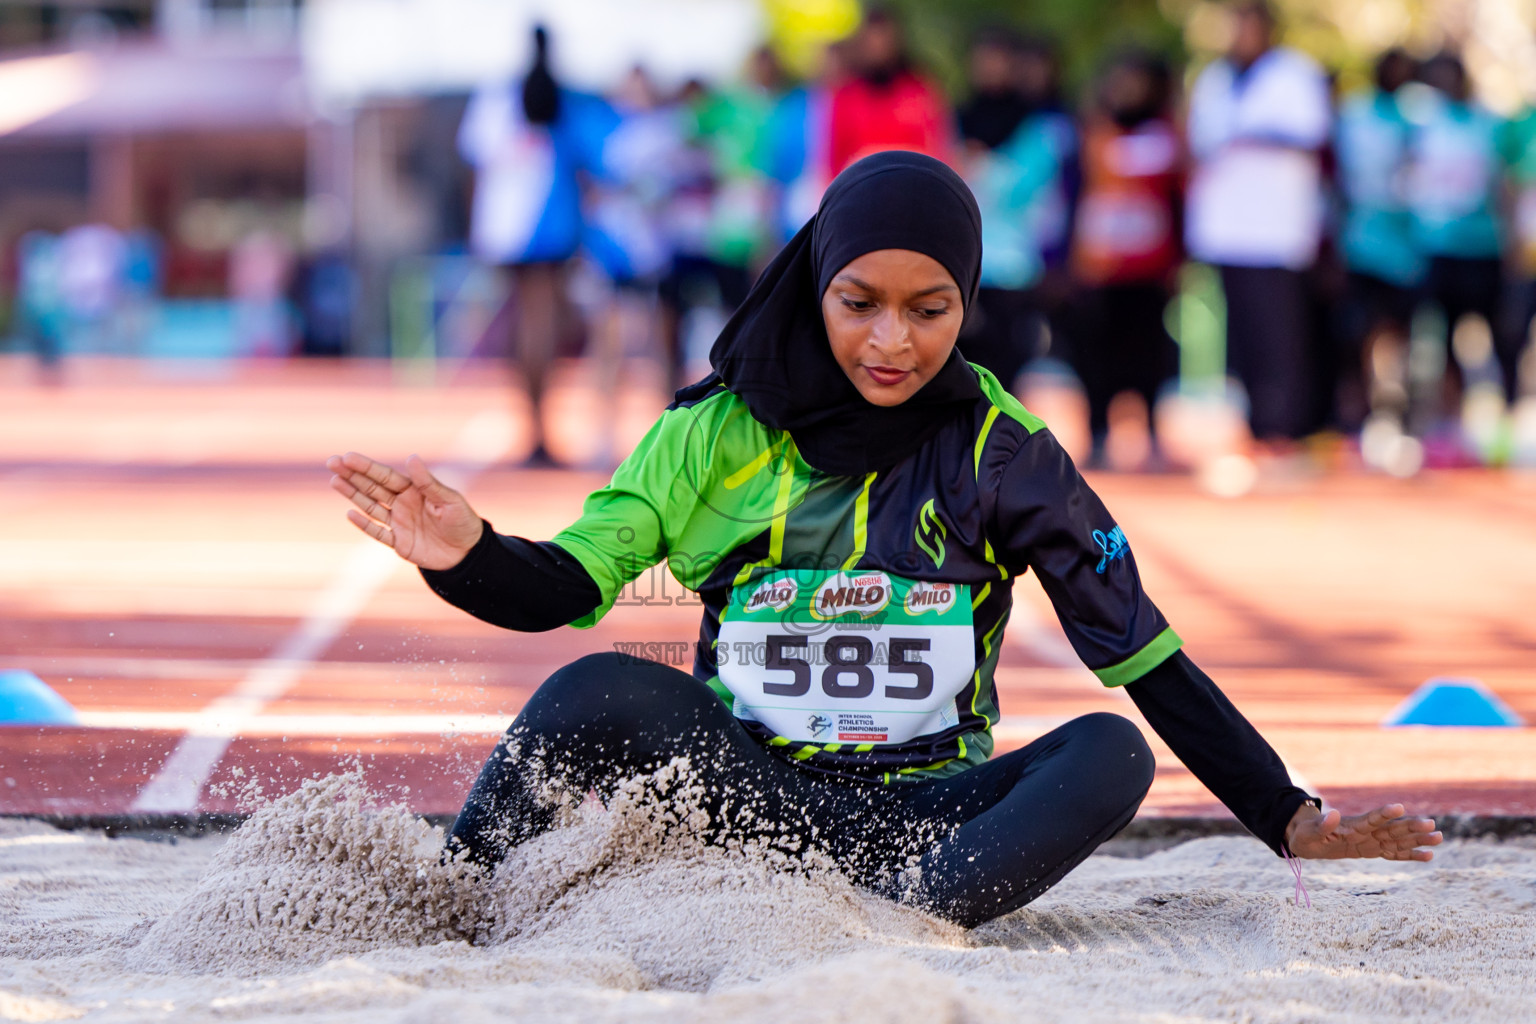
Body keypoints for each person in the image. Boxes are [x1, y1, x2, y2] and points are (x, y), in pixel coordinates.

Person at [327, 152, 1442, 928]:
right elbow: (564, 585)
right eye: (858, 301)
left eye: (929, 308)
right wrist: (468, 551)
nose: (890, 341)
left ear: (968, 304)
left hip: (931, 821)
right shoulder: (712, 430)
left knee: (1110, 752)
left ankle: (900, 920)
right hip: (742, 800)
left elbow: (1142, 657)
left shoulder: (1002, 452)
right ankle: (454, 892)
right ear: (817, 278)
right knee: (590, 684)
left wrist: (1288, 817)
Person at [458, 25, 616, 466]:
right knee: (544, 327)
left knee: (521, 325)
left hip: (504, 230)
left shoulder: (494, 99)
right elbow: (590, 167)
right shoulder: (567, 101)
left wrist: (477, 229)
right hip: (553, 224)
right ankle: (540, 429)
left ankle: (534, 424)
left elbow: (474, 166)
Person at [1185, 0, 1331, 444]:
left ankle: (1285, 427)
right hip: (1228, 229)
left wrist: (1251, 135)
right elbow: (1198, 140)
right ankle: (1254, 425)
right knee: (1242, 333)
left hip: (1278, 230)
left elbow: (1312, 133)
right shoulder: (1213, 78)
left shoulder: (1296, 73)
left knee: (1281, 333)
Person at [1068, 49, 1185, 467]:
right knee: (1097, 354)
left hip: (1151, 266)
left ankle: (1151, 435)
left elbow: (1179, 196)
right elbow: (1072, 194)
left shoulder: (1169, 133)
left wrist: (1180, 259)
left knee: (1150, 353)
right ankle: (1098, 434)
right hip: (1099, 266)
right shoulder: (1091, 132)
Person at [1407, 52, 1513, 430]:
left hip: (1484, 246)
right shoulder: (1422, 123)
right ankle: (1449, 416)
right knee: (1441, 334)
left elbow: (1504, 183)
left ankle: (1507, 411)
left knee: (1500, 331)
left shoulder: (1489, 124)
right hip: (1437, 246)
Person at [1332, 48, 1423, 442]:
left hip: (1407, 252)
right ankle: (1362, 414)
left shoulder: (1420, 118)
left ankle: (1395, 412)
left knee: (1399, 335)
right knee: (1359, 334)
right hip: (1362, 248)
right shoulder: (1355, 117)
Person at [825, 6, 953, 176]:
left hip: (914, 180)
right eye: (872, 40)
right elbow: (835, 159)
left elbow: (938, 149)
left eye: (884, 39)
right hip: (859, 184)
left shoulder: (921, 90)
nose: (878, 47)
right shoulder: (845, 95)